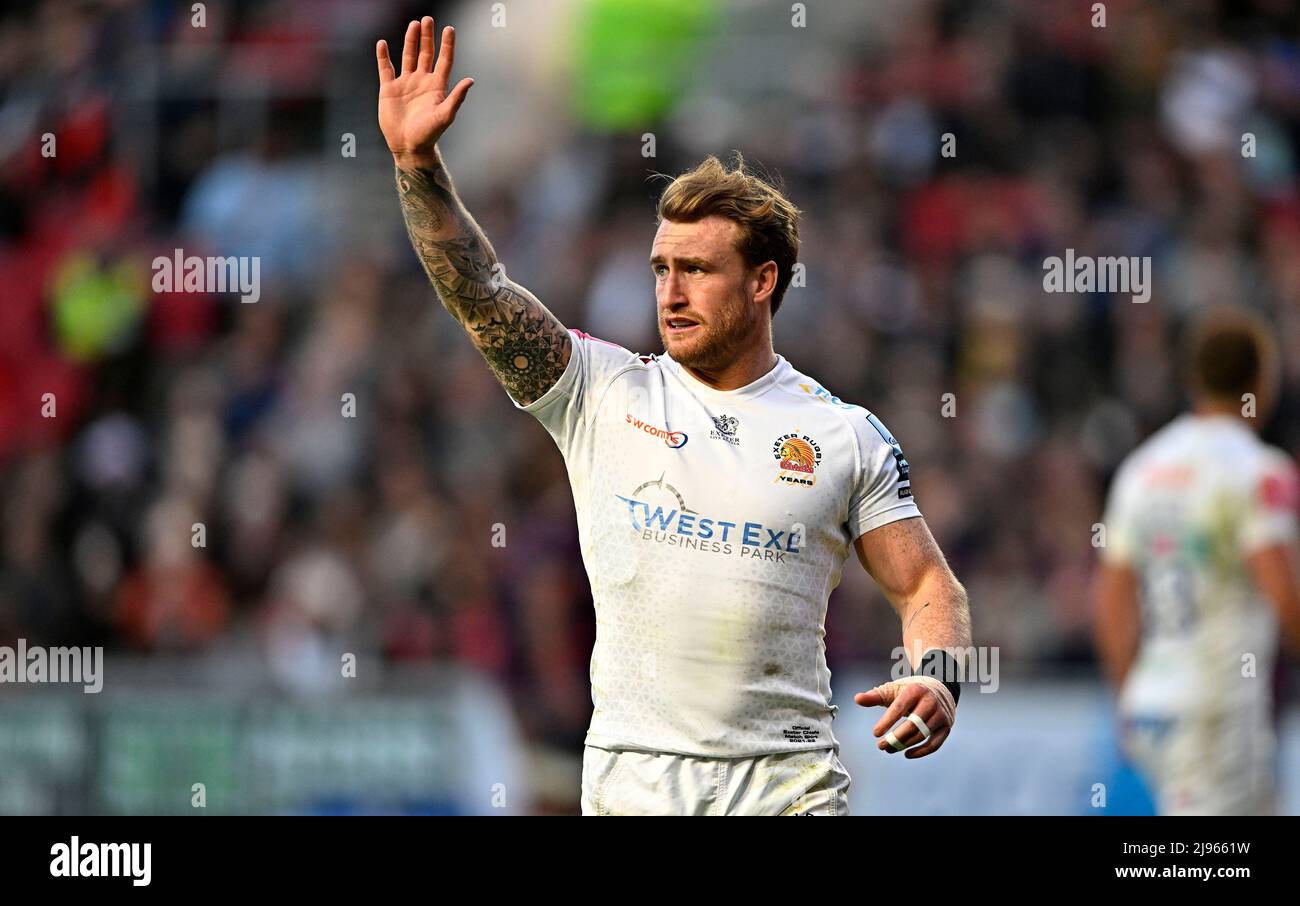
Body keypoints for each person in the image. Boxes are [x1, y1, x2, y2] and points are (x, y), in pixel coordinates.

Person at [377, 17, 972, 815]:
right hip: (635, 792)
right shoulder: (601, 391)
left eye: (696, 269)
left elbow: (929, 582)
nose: (670, 291)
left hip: (786, 793)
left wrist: (936, 676)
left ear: (763, 282)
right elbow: (480, 291)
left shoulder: (843, 436)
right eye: (660, 268)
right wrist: (418, 165)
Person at [1095, 306, 1300, 815]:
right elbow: (1285, 597)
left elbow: (1111, 601)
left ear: (1193, 378)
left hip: (1155, 703)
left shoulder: (1142, 470)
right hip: (1220, 709)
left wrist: (1130, 693)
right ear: (1262, 381)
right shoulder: (1259, 472)